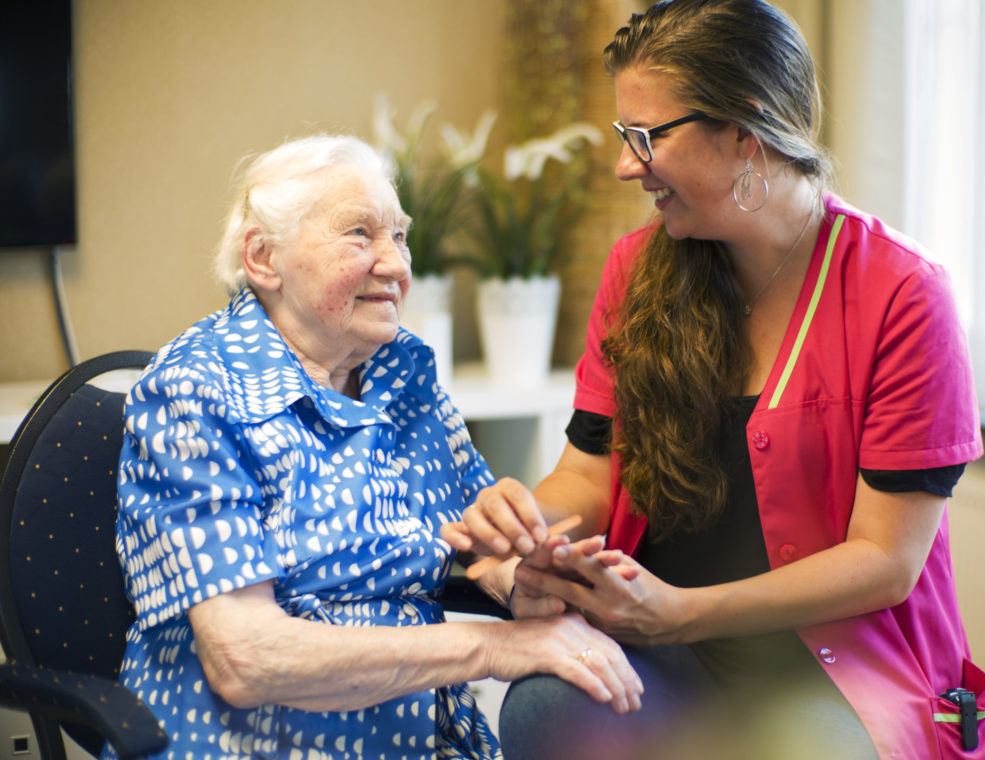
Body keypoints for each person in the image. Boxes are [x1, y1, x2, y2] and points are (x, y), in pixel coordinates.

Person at [443, 1, 985, 757]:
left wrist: (681, 611)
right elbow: (588, 476)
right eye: (622, 136)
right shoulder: (634, 271)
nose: (625, 165)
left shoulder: (903, 293)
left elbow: (886, 563)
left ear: (744, 131)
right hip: (661, 647)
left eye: (648, 137)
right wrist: (528, 536)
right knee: (545, 708)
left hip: (826, 668)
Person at [109, 134, 643, 760]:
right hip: (249, 742)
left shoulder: (402, 372)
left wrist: (521, 584)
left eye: (401, 237)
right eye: (360, 235)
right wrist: (493, 648)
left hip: (419, 736)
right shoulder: (194, 390)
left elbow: (472, 542)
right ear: (263, 258)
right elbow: (245, 658)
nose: (396, 265)